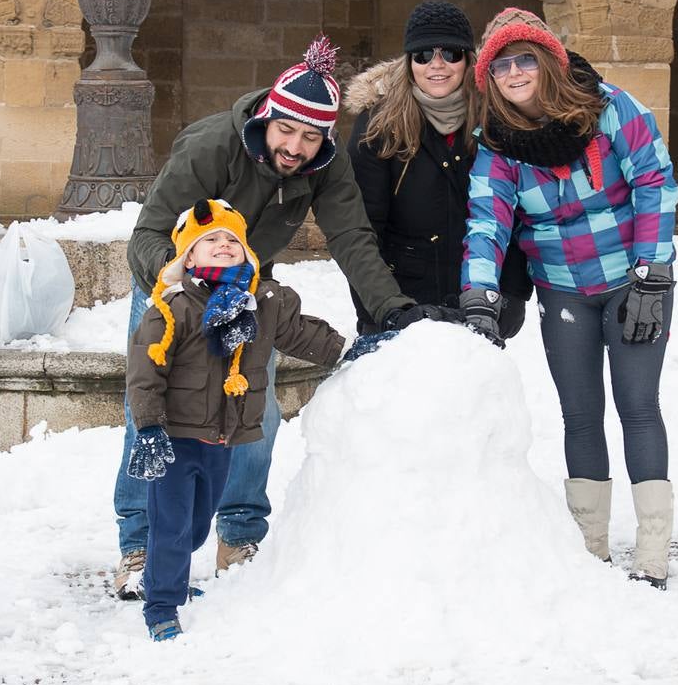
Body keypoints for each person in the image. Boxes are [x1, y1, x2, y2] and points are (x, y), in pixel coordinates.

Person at [115, 36, 448, 599]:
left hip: (244, 286)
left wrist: (393, 309)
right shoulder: (210, 147)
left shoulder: (325, 165)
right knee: (151, 410)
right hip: (171, 281)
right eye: (286, 131)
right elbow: (146, 235)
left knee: (254, 408)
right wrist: (179, 285)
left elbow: (352, 237)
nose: (295, 146)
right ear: (267, 118)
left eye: (311, 136)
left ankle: (240, 535)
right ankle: (138, 544)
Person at [460, 8, 678, 589]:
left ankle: (654, 547)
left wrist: (652, 274)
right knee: (580, 414)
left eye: (524, 58)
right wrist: (480, 295)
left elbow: (655, 181)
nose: (514, 72)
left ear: (549, 62)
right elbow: (487, 219)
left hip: (633, 283)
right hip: (562, 290)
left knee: (637, 405)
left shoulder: (610, 109)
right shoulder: (498, 144)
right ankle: (591, 544)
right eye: (501, 64)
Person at [125, 198, 349, 640]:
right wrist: (149, 428)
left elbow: (299, 332)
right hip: (174, 437)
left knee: (195, 526)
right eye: (210, 240)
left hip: (222, 439)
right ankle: (162, 605)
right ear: (187, 256)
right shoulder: (172, 310)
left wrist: (343, 350)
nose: (224, 245)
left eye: (232, 239)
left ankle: (163, 576)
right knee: (172, 527)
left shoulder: (261, 304)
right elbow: (144, 372)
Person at [343, 0, 532, 336]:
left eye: (451, 54)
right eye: (424, 55)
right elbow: (362, 229)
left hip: (478, 302)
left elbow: (515, 212)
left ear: (468, 60)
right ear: (409, 62)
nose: (437, 65)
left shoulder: (495, 120)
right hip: (401, 304)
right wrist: (382, 309)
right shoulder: (377, 126)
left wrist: (513, 293)